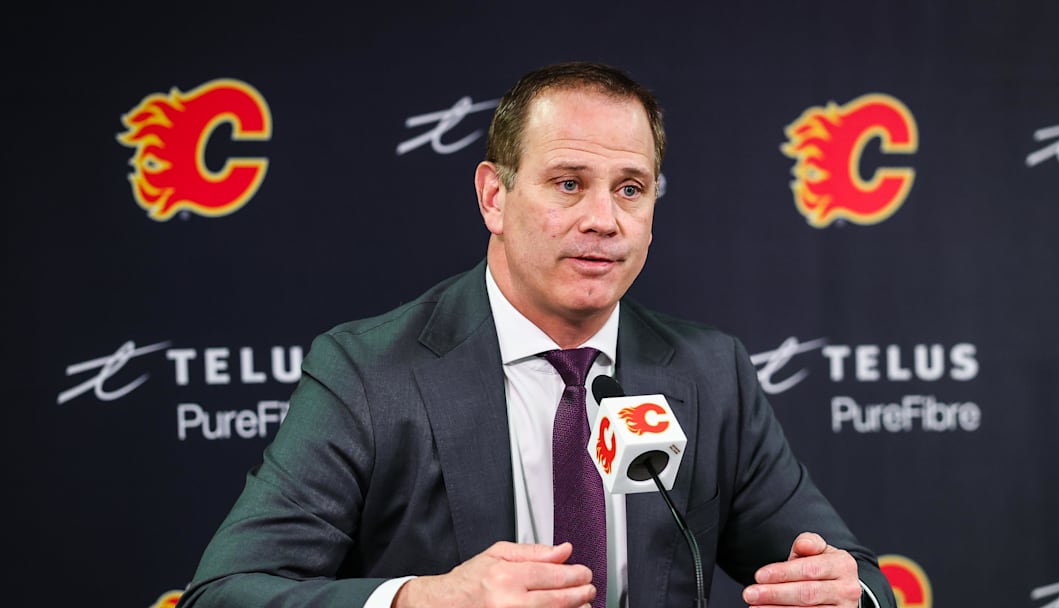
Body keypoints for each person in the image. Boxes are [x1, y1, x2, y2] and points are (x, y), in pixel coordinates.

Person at [177, 62, 896, 608]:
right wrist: (422, 600)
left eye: (630, 189)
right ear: (495, 196)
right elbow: (226, 593)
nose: (604, 221)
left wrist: (842, 593)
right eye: (568, 183)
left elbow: (858, 577)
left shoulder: (712, 372)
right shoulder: (368, 372)